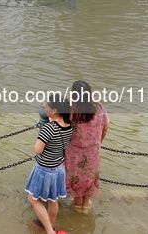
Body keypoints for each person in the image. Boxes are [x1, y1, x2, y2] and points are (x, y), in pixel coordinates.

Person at [25, 94, 73, 234]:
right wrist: (47, 108)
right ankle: (49, 226)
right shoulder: (68, 125)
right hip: (58, 168)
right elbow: (56, 124)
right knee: (53, 199)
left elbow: (37, 150)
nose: (44, 108)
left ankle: (50, 232)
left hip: (44, 169)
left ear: (55, 110)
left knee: (33, 199)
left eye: (46, 107)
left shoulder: (48, 128)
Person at [65, 80, 109, 213]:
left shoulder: (71, 111)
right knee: (90, 174)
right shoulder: (99, 108)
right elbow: (105, 126)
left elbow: (65, 131)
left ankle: (77, 203)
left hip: (74, 149)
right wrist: (99, 140)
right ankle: (86, 203)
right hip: (93, 149)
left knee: (75, 174)